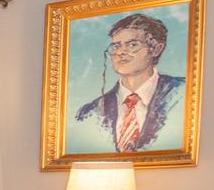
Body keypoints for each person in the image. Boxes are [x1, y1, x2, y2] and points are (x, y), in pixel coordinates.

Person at [73, 12, 183, 154]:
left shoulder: (183, 92)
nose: (121, 52)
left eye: (132, 45)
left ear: (156, 49)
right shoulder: (90, 111)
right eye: (116, 46)